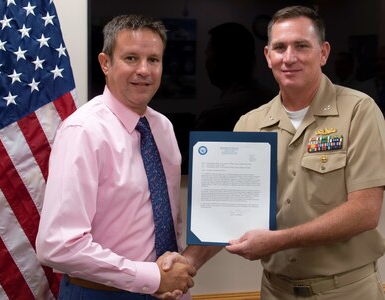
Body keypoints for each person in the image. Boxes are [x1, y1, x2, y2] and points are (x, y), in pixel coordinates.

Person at [226, 5, 385, 300]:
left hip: (346, 291)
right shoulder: (249, 124)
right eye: (280, 47)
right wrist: (189, 262)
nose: (289, 58)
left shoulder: (358, 111)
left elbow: (365, 212)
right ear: (267, 56)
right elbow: (229, 211)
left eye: (301, 46)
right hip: (275, 290)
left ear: (323, 53)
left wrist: (277, 241)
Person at [36, 14, 198, 300]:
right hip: (101, 293)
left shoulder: (163, 127)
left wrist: (170, 274)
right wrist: (151, 277)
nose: (144, 70)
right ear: (105, 63)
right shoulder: (83, 131)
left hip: (167, 291)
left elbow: (168, 219)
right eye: (131, 58)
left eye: (154, 60)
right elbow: (58, 245)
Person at [193, 22, 275, 131]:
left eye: (208, 55)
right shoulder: (273, 101)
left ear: (219, 61)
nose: (206, 63)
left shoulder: (216, 116)